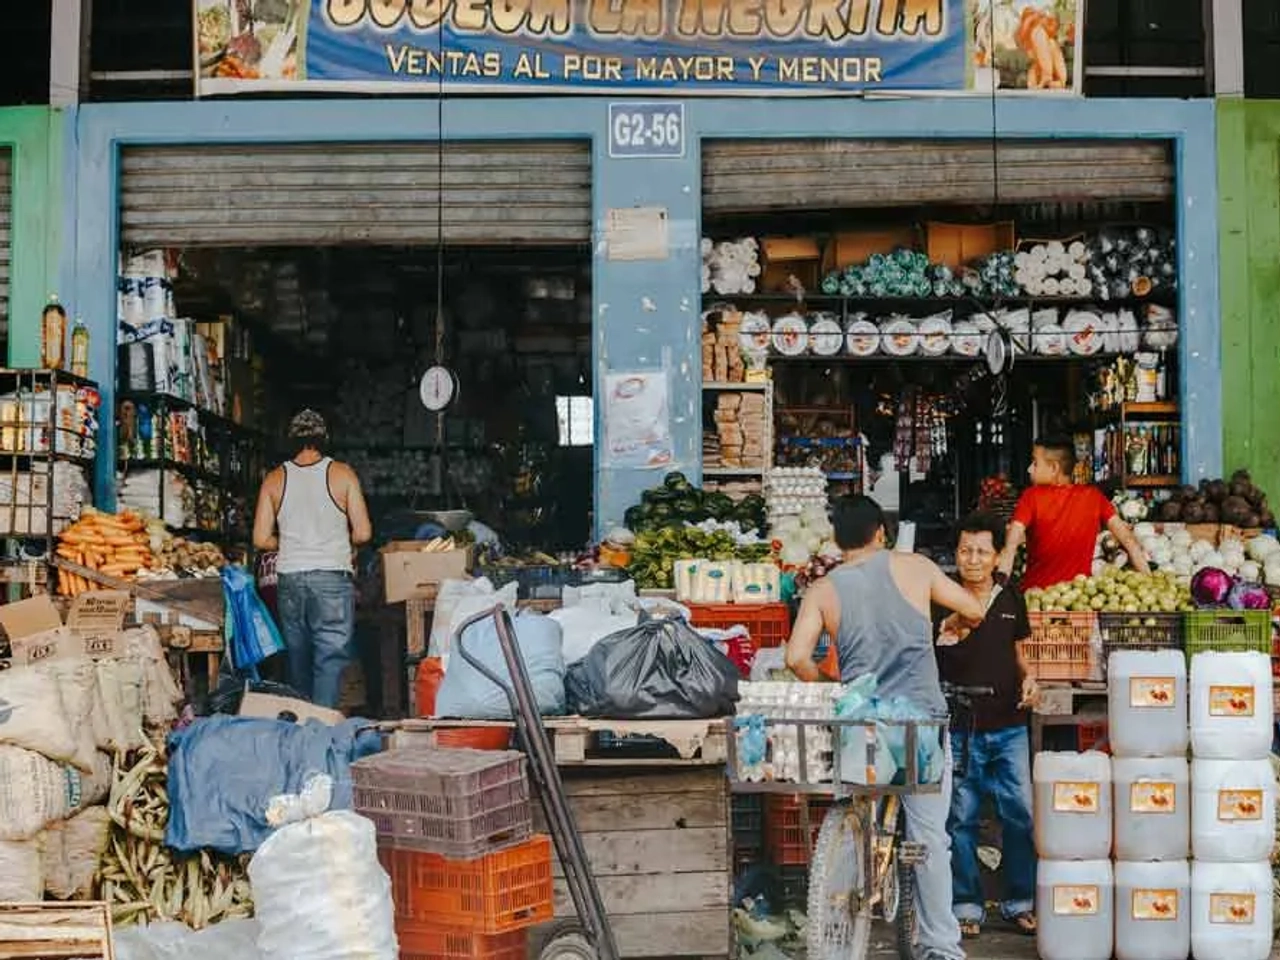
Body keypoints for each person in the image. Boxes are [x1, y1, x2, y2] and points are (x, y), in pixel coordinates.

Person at [785, 495, 989, 960]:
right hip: (919, 726)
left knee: (862, 799)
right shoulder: (914, 567)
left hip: (862, 725)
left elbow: (797, 658)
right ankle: (941, 947)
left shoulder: (824, 589)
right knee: (929, 839)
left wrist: (834, 683)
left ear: (838, 539)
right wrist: (955, 619)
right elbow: (974, 610)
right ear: (881, 532)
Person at [936, 512, 1038, 940]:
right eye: (965, 550)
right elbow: (930, 653)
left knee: (1021, 816)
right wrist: (945, 633)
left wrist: (1030, 677)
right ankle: (966, 905)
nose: (972, 559)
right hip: (961, 727)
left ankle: (1020, 902)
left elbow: (1019, 652)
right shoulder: (941, 598)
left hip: (1010, 723)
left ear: (998, 555)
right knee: (961, 819)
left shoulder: (1011, 596)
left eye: (981, 551)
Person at [252, 410, 372, 708]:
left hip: (291, 578)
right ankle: (322, 728)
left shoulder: (274, 479)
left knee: (298, 657)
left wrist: (290, 540)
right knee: (330, 659)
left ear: (291, 441)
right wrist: (336, 538)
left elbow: (260, 539)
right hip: (331, 577)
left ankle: (303, 728)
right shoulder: (343, 474)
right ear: (324, 439)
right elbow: (363, 533)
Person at [997, 436, 1148, 589]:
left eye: (1035, 463)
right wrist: (1149, 582)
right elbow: (1129, 541)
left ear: (1054, 468)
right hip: (1078, 600)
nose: (1029, 469)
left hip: (1036, 598)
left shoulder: (1031, 496)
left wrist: (998, 588)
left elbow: (1011, 546)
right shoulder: (1094, 497)